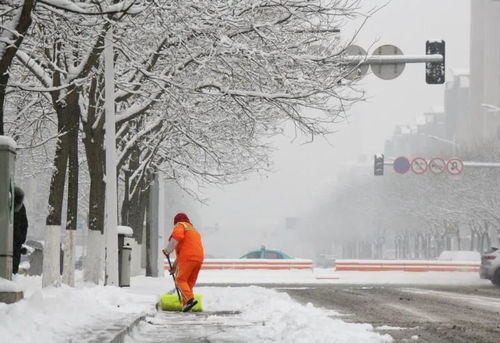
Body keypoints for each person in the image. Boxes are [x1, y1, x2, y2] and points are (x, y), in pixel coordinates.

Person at [162, 213, 204, 312]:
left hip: (187, 257)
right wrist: (174, 267)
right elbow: (181, 254)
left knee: (180, 280)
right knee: (188, 283)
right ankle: (187, 305)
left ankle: (189, 300)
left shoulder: (181, 225)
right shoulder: (193, 230)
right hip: (198, 258)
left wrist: (168, 250)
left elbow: (177, 236)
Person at [12, 186, 28, 275]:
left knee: (13, 270)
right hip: (13, 242)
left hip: (16, 243)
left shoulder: (21, 209)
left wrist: (20, 239)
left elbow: (24, 226)